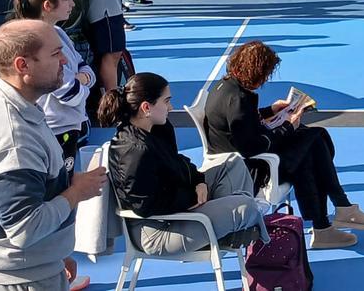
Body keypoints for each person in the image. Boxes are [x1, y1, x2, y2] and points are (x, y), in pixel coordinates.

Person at [0, 19, 107, 291]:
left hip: (30, 271)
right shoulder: (13, 139)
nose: (65, 60)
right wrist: (76, 193)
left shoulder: (13, 106)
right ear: (23, 66)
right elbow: (24, 230)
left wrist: (55, 255)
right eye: (55, 53)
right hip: (21, 280)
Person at [204, 41, 364, 249]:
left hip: (242, 161)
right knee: (312, 143)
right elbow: (252, 147)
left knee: (311, 142)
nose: (266, 79)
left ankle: (331, 219)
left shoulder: (226, 88)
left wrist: (271, 110)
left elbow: (242, 125)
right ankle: (335, 214)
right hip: (249, 170)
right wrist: (288, 126)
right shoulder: (238, 100)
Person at [100, 72, 267, 256]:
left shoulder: (158, 128)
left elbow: (179, 162)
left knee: (233, 163)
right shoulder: (133, 152)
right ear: (146, 107)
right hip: (159, 230)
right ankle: (246, 233)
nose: (171, 107)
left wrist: (199, 181)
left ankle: (228, 229)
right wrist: (192, 197)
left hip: (180, 207)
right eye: (166, 101)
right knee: (246, 206)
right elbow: (146, 205)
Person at [13, 0, 94, 177]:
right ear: (48, 6)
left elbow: (87, 70)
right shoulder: (38, 42)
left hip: (68, 126)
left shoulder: (59, 32)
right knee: (59, 185)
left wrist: (80, 79)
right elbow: (70, 94)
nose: (72, 4)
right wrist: (80, 80)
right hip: (55, 129)